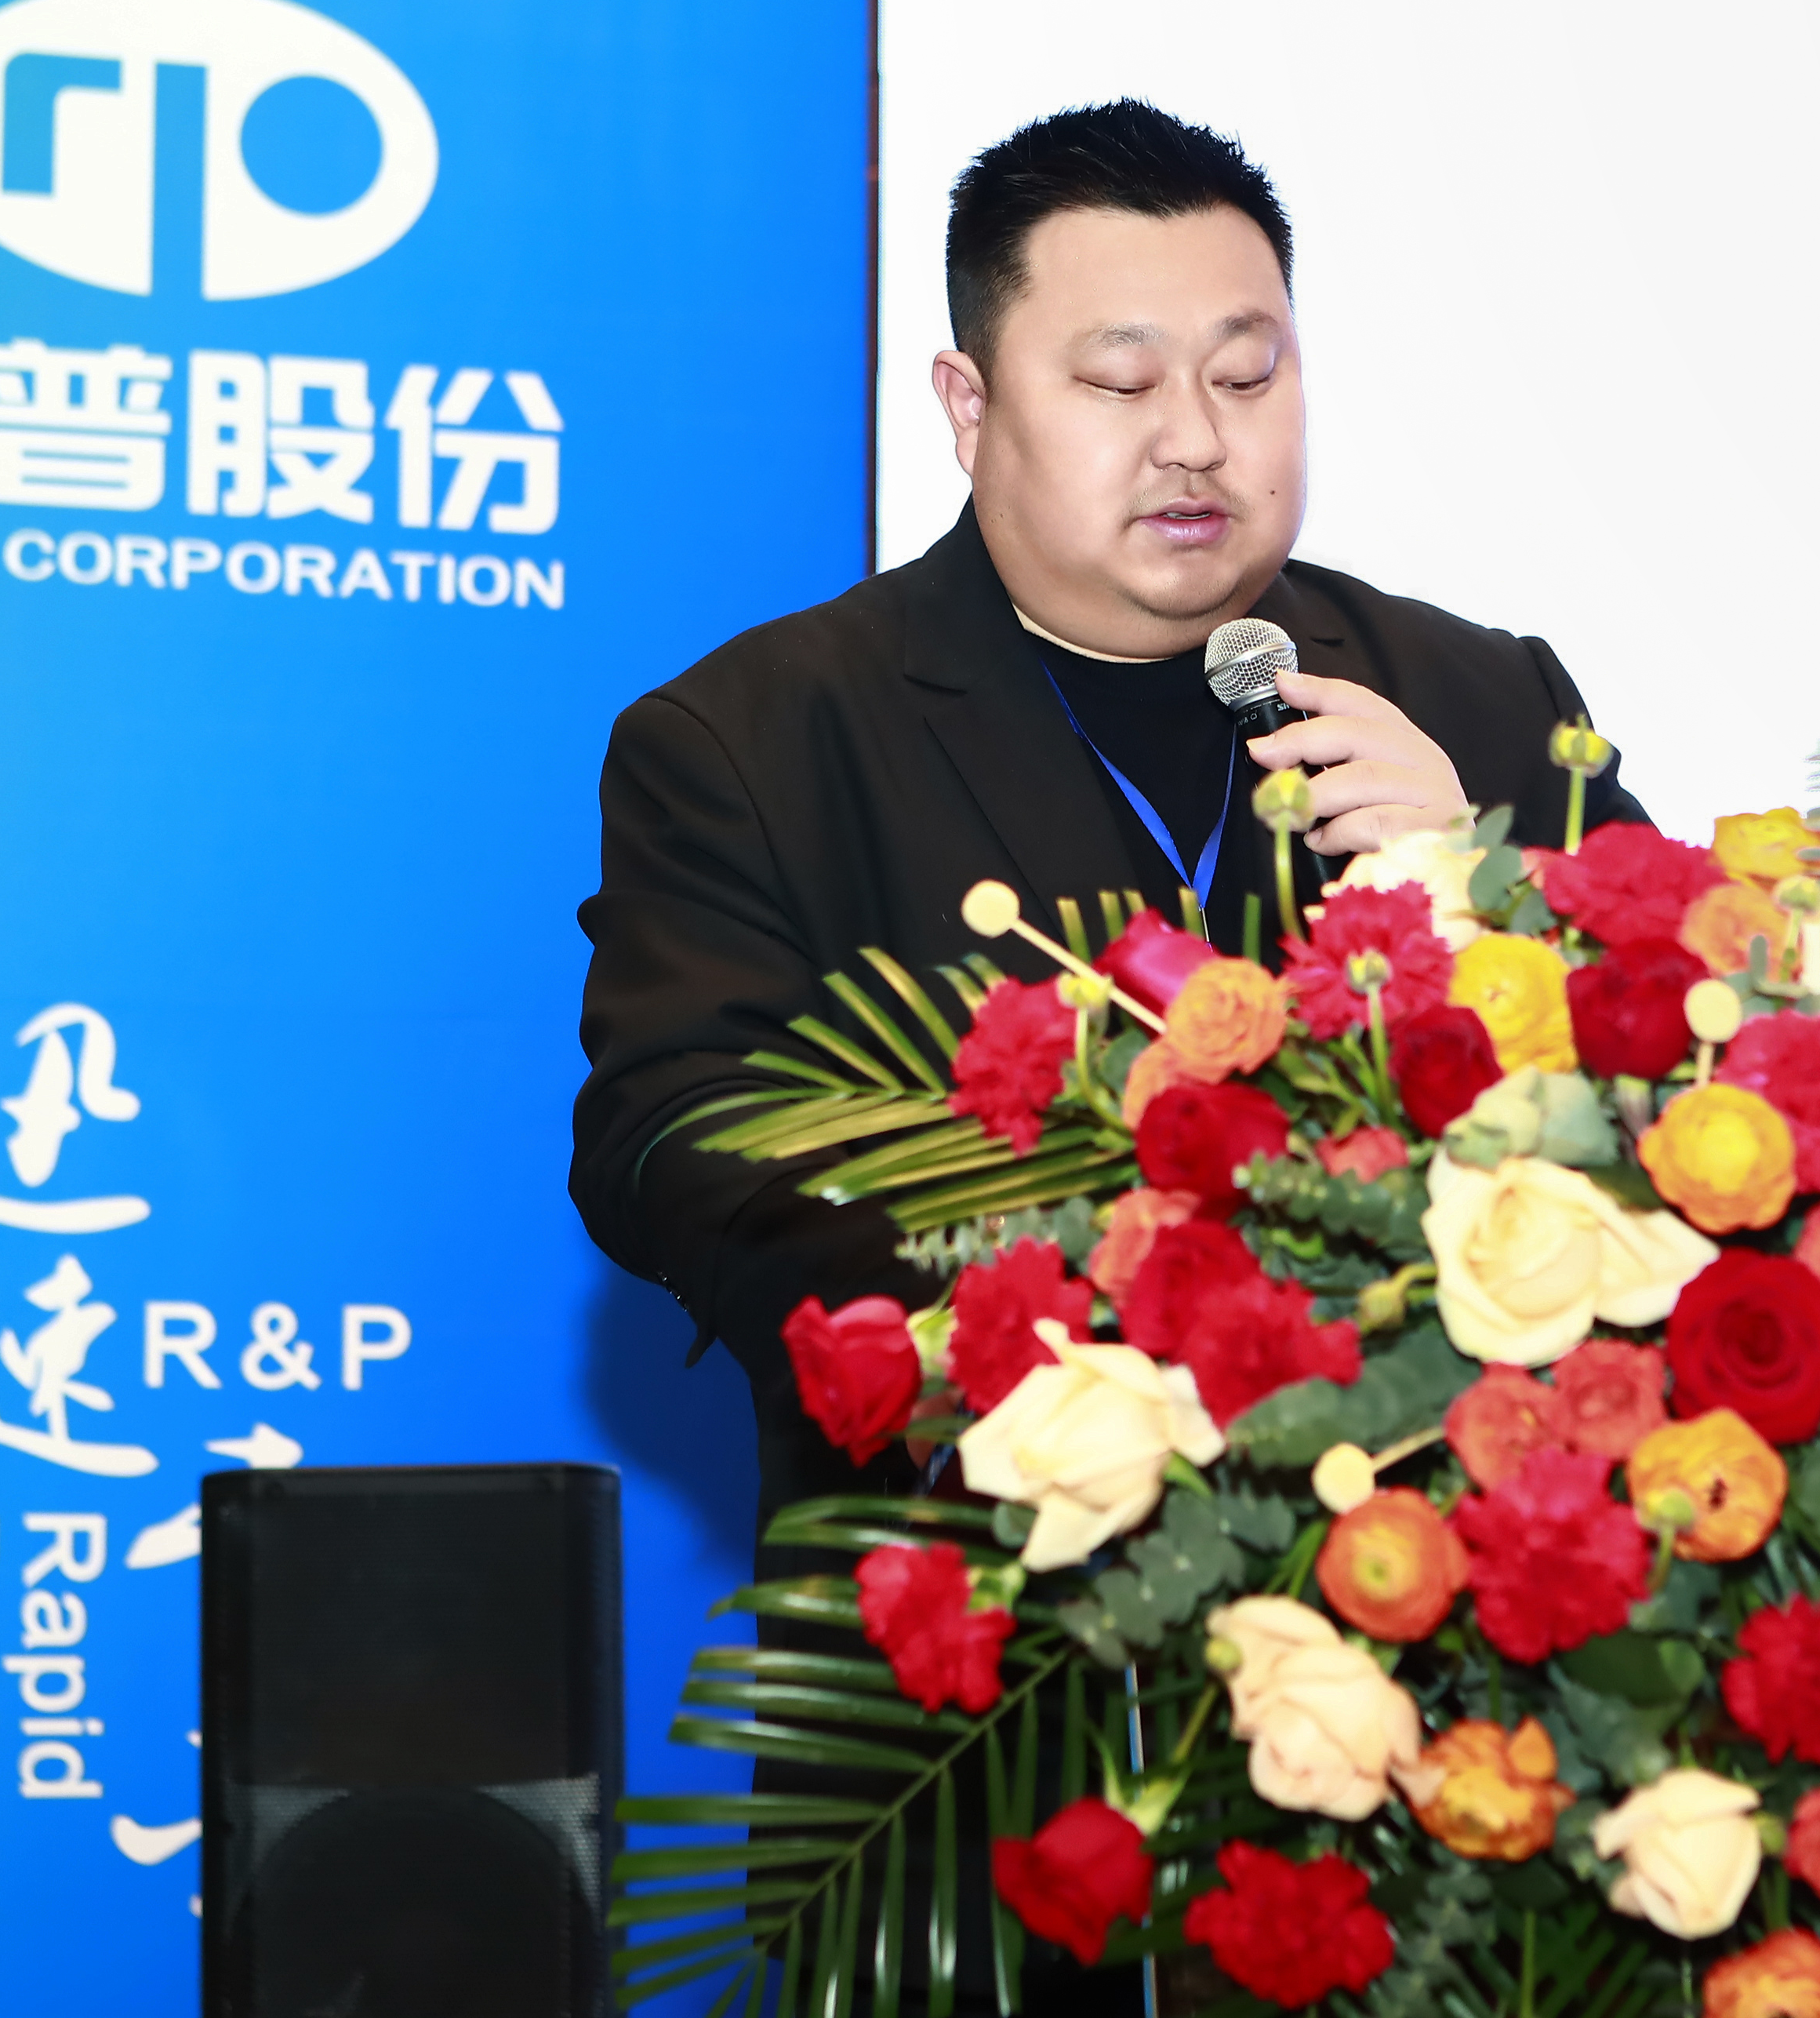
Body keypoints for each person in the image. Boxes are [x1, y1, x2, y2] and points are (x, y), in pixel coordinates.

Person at [572, 95, 1644, 1540]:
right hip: (1000, 1596)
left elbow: (1691, 1073)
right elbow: (670, 1150)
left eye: (1247, 376)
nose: (1195, 439)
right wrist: (1088, 1268)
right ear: (970, 409)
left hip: (1459, 1585)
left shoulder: (1481, 701)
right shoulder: (763, 742)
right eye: (1121, 384)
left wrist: (1488, 899)